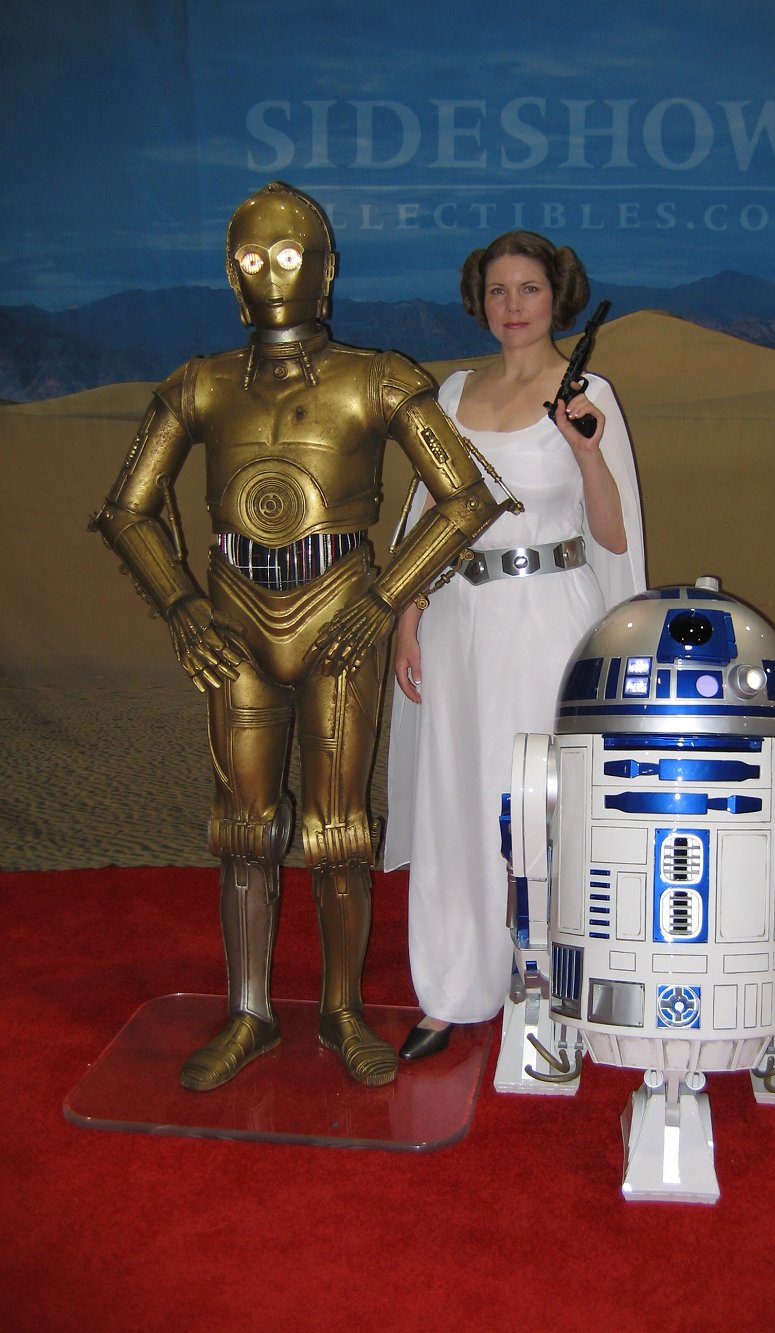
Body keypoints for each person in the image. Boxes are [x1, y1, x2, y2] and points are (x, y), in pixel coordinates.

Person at [91, 181, 510, 1091]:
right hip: (234, 616)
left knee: (338, 831)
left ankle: (342, 1009)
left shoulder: (378, 378)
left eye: (288, 257)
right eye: (252, 259)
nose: (271, 276)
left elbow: (465, 498)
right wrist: (184, 608)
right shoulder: (199, 384)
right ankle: (248, 1012)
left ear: (324, 270)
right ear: (230, 274)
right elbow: (127, 509)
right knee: (243, 826)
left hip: (340, 615)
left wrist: (384, 597)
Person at [385, 231, 646, 1060]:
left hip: (549, 619)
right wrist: (408, 616)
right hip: (458, 618)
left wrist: (585, 450)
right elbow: (426, 516)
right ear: (479, 301)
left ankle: (559, 988)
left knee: (541, 803)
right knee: (456, 798)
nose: (513, 306)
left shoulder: (588, 393)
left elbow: (613, 533)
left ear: (557, 296)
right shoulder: (453, 392)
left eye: (529, 288)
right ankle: (452, 986)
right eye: (497, 290)